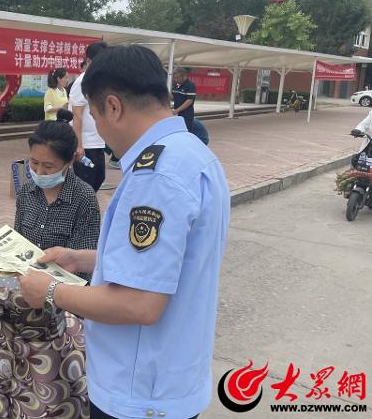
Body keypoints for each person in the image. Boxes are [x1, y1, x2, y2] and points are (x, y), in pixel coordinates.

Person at [18, 45, 230, 419]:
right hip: (169, 379)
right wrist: (77, 258)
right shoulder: (193, 155)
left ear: (113, 107)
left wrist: (51, 290)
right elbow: (162, 264)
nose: (96, 130)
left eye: (94, 119)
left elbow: (139, 303)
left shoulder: (156, 176)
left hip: (138, 392)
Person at [15, 108, 101, 251]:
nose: (40, 172)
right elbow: (17, 243)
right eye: (34, 162)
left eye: (48, 166)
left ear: (70, 162)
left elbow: (84, 260)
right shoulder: (26, 192)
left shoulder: (84, 198)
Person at [69, 41, 108, 192]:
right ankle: (81, 214)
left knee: (99, 178)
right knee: (85, 184)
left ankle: (88, 212)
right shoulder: (81, 83)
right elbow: (76, 115)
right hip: (86, 144)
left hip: (98, 142)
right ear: (89, 61)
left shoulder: (100, 81)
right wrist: (79, 145)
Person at [172, 67, 197, 132]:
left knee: (186, 131)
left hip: (186, 115)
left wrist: (177, 110)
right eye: (174, 78)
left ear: (184, 76)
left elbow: (189, 101)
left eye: (177, 78)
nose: (175, 80)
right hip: (177, 113)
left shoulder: (190, 85)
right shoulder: (175, 85)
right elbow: (173, 96)